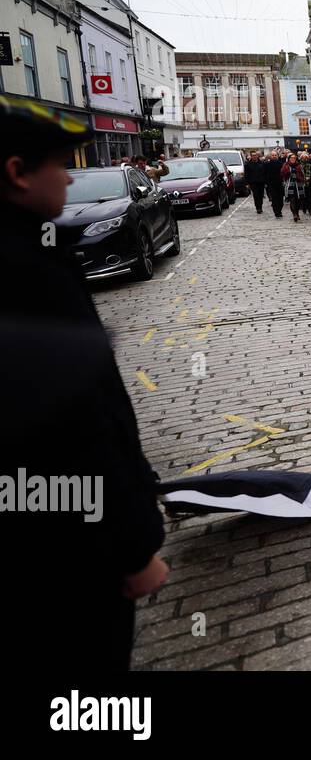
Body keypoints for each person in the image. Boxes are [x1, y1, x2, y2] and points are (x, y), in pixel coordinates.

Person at [0, 95, 168, 670]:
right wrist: (131, 546)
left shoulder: (34, 252)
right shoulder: (27, 275)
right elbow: (74, 431)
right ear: (17, 173)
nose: (71, 174)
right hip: (64, 555)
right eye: (57, 163)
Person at [281, 152, 309, 222]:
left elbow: (303, 174)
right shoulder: (286, 165)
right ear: (289, 159)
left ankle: (297, 213)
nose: (293, 159)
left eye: (294, 158)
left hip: (298, 184)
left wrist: (302, 180)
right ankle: (294, 214)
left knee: (298, 200)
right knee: (292, 200)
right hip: (290, 184)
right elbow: (282, 174)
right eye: (291, 158)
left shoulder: (299, 165)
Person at [265, 149, 285, 217]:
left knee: (281, 199)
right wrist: (266, 183)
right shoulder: (267, 164)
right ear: (270, 156)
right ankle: (277, 212)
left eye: (275, 155)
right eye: (272, 155)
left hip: (280, 183)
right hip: (271, 184)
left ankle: (279, 210)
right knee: (274, 198)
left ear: (277, 156)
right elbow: (265, 173)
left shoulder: (281, 163)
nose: (274, 156)